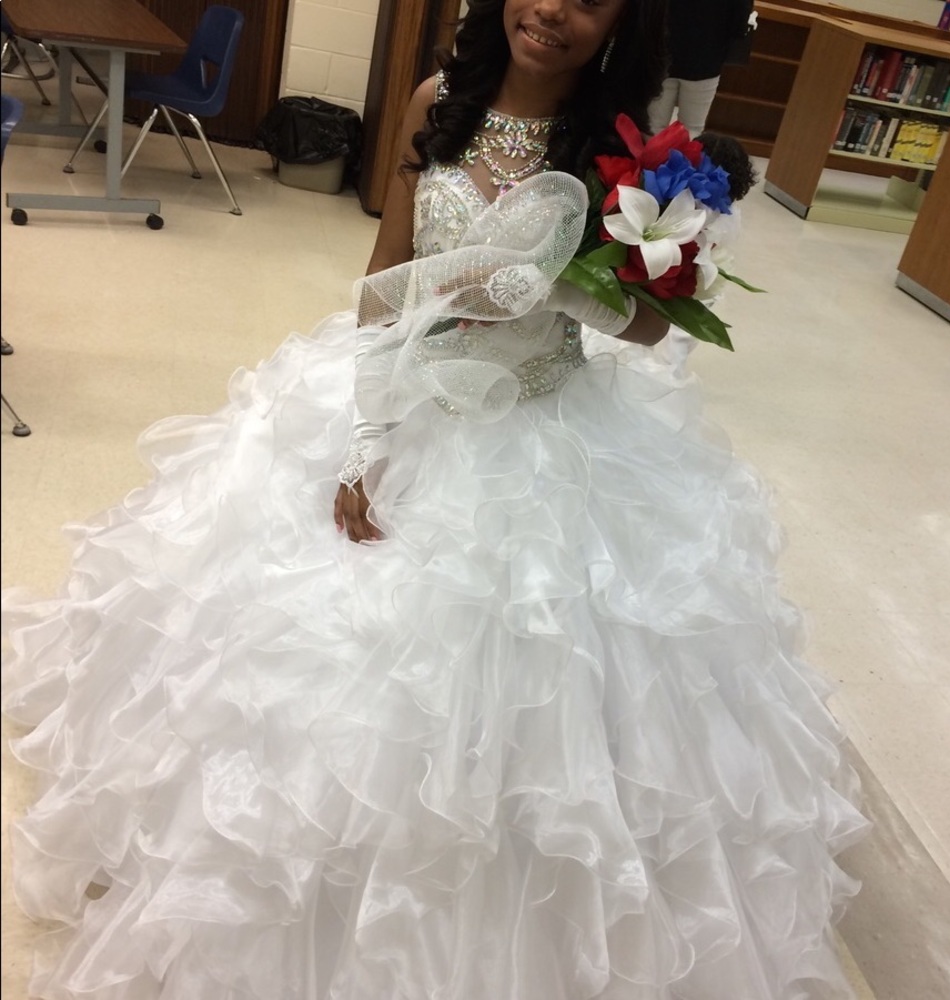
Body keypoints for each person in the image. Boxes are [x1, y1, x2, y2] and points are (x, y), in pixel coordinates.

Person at [1, 1, 868, 998]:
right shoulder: (435, 102)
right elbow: (384, 282)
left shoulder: (628, 150)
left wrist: (564, 289)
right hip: (409, 398)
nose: (554, 12)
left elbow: (644, 334)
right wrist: (364, 435)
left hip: (545, 435)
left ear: (620, 22)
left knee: (545, 702)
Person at [648, 0, 756, 136]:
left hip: (662, 49)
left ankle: (650, 156)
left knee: (654, 125)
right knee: (692, 129)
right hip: (706, 57)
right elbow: (739, 24)